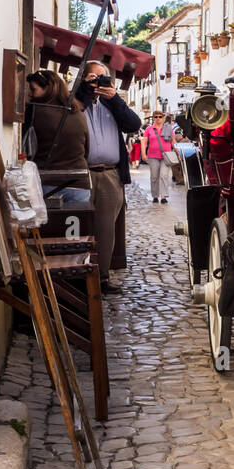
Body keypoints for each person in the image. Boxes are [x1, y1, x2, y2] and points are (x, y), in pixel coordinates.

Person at [80, 59, 141, 294]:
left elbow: (133, 124)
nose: (99, 83)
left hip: (109, 174)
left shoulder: (112, 106)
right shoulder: (78, 103)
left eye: (103, 78)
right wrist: (86, 91)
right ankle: (80, 274)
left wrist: (114, 97)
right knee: (79, 227)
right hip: (82, 173)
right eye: (94, 78)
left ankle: (102, 278)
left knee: (106, 230)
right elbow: (70, 111)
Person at [24, 69, 90, 205]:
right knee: (77, 225)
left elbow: (25, 147)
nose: (30, 94)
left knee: (48, 226)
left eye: (33, 89)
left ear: (48, 88)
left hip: (48, 183)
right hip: (79, 183)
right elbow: (87, 149)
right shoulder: (79, 113)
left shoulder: (35, 110)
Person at [144, 114, 175, 204]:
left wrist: (177, 151)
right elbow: (144, 142)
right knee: (154, 177)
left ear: (163, 118)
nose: (158, 118)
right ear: (153, 118)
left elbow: (173, 141)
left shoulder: (169, 128)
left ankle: (163, 196)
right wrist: (143, 153)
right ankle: (155, 196)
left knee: (164, 176)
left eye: (160, 117)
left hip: (166, 155)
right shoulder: (149, 129)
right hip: (153, 156)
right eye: (156, 117)